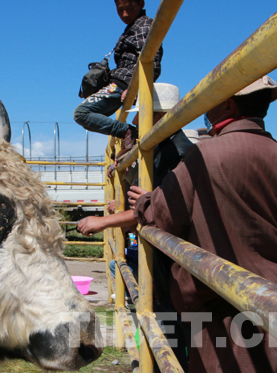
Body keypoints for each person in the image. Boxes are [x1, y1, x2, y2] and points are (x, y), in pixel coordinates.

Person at [130, 76, 277, 373]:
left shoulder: (203, 155)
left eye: (212, 99)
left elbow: (163, 217)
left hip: (219, 301)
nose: (205, 108)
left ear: (229, 103)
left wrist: (146, 202)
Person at [78, 82, 193, 371]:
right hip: (163, 247)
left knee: (170, 316)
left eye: (141, 113)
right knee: (159, 311)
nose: (134, 121)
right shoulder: (159, 145)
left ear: (157, 115)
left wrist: (103, 221)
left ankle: (169, 364)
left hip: (171, 251)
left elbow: (155, 208)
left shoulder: (173, 151)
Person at [73, 0, 163, 158]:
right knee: (88, 114)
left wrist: (135, 87)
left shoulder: (143, 26)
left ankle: (126, 132)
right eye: (120, 9)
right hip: (121, 82)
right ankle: (124, 136)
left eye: (130, 8)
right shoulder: (131, 27)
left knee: (81, 113)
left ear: (141, 4)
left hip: (123, 84)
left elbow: (151, 61)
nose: (125, 13)